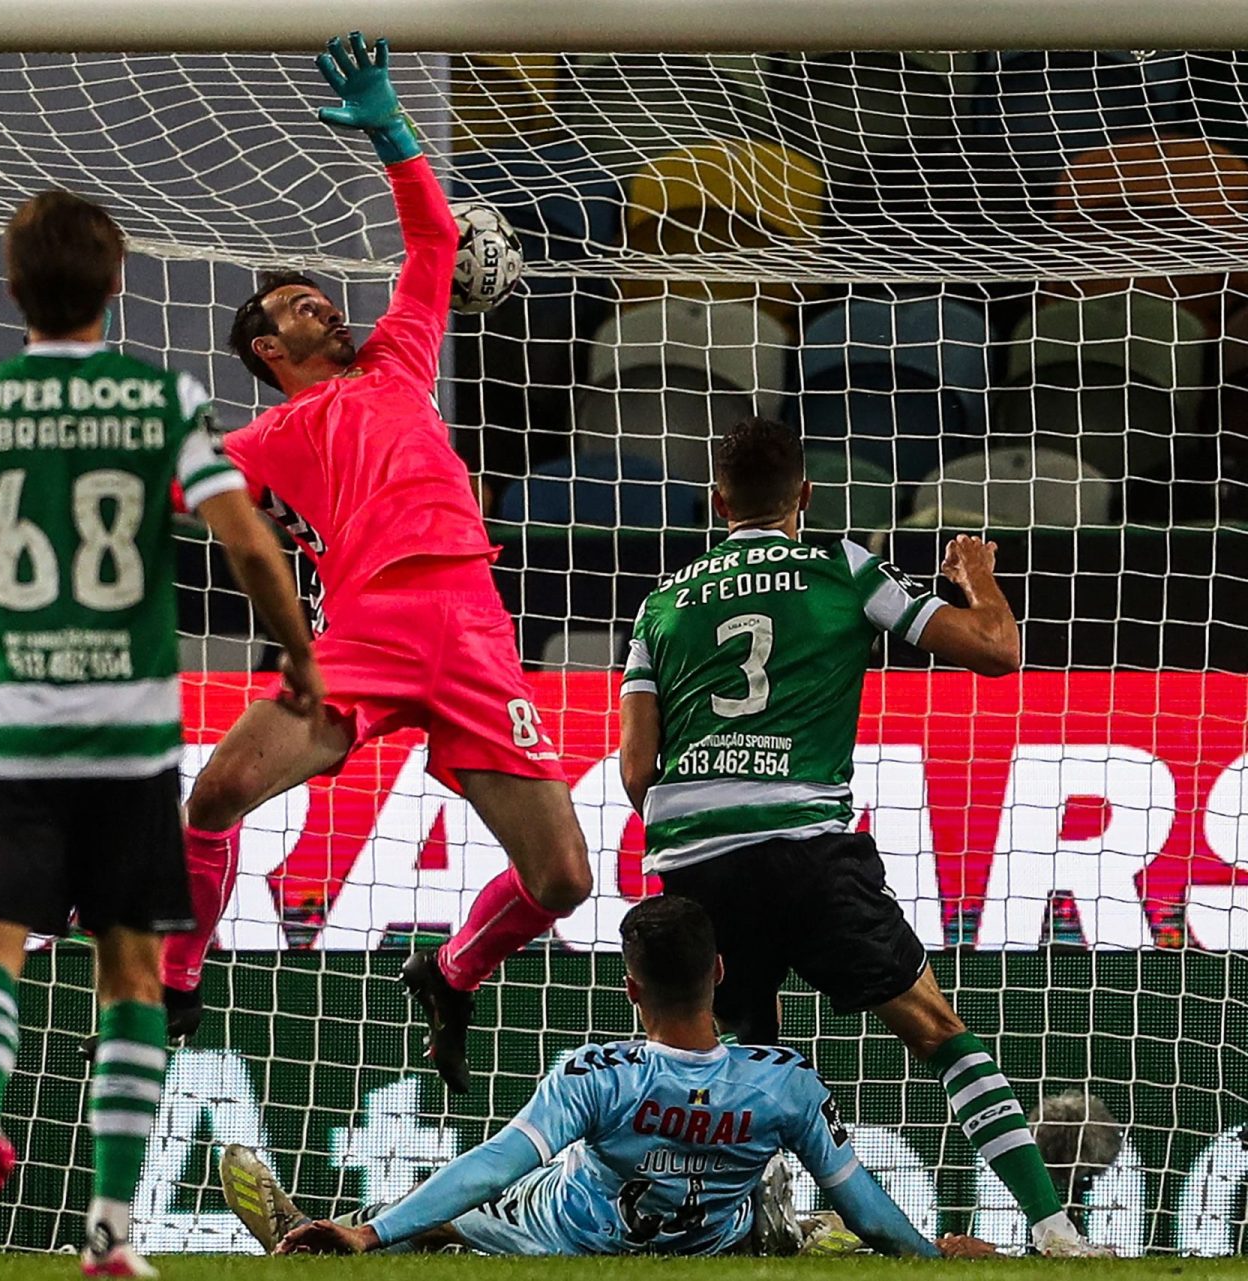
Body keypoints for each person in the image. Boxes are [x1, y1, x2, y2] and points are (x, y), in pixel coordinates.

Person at [0, 189, 323, 1279]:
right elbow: (251, 547)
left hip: (16, 734)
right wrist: (299, 653)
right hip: (128, 739)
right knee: (129, 976)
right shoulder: (159, 403)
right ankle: (113, 1235)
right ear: (116, 281)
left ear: (12, 286)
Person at [159, 32, 592, 1094]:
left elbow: (434, 241)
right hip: (367, 637)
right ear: (266, 349)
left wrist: (395, 131)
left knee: (566, 880)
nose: (323, 305)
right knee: (212, 798)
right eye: (298, 306)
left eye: (319, 295)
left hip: (475, 633)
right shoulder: (264, 438)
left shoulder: (399, 358)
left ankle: (451, 971)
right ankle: (174, 988)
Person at [617, 416, 1106, 1259]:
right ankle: (1054, 1229)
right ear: (805, 495)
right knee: (935, 1027)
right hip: (804, 844)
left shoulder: (663, 602)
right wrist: (977, 578)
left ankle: (752, 1222)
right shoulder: (842, 564)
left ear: (716, 500)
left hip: (695, 857)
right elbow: (997, 650)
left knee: (748, 1051)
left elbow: (634, 768)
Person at [219, 896, 996, 1259]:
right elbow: (865, 1206)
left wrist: (368, 1233)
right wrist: (927, 1258)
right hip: (710, 1241)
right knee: (786, 1213)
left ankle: (346, 1227)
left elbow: (496, 1160)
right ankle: (789, 1229)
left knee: (455, 1215)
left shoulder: (599, 1074)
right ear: (720, 972)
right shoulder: (785, 1081)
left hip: (561, 1234)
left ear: (629, 986)